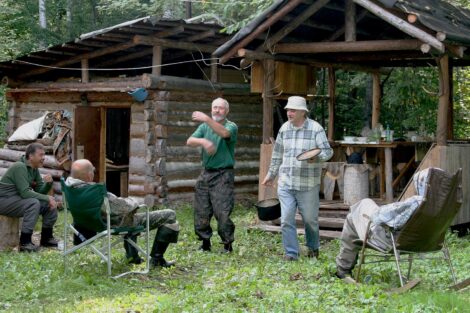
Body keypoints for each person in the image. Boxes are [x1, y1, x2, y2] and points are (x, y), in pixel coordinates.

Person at [65, 159, 179, 268]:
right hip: (113, 223)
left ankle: (132, 257)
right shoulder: (94, 192)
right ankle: (156, 259)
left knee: (129, 216)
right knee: (170, 214)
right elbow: (124, 208)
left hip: (91, 223)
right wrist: (134, 201)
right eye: (93, 171)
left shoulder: (69, 187)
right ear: (89, 175)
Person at [262, 96, 333, 261]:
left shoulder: (316, 128)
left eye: (293, 110)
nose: (289, 113)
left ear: (303, 112)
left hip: (308, 184)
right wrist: (271, 174)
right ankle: (291, 253)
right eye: (288, 110)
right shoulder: (284, 129)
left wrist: (317, 158)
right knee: (286, 219)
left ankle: (313, 248)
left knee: (310, 220)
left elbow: (328, 152)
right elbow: (277, 154)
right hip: (286, 182)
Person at [335, 167, 434, 279]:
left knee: (356, 213)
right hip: (424, 241)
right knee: (357, 213)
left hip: (390, 241)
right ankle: (343, 267)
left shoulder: (416, 202)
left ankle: (343, 269)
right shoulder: (441, 206)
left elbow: (381, 216)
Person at [186, 97, 238, 253]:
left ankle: (227, 245)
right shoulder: (204, 127)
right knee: (201, 209)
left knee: (222, 211)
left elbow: (223, 133)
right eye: (214, 107)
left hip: (223, 174)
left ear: (227, 111)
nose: (217, 110)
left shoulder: (231, 126)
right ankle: (205, 243)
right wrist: (203, 142)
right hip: (206, 173)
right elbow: (190, 141)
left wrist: (207, 119)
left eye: (220, 108)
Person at [0, 143, 59, 252]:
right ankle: (25, 243)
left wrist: (48, 184)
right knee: (33, 203)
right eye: (41, 155)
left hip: (15, 200)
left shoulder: (34, 169)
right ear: (31, 156)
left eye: (44, 155)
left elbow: (39, 191)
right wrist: (47, 198)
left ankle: (46, 238)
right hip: (4, 201)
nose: (44, 158)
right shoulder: (19, 167)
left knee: (48, 204)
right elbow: (25, 193)